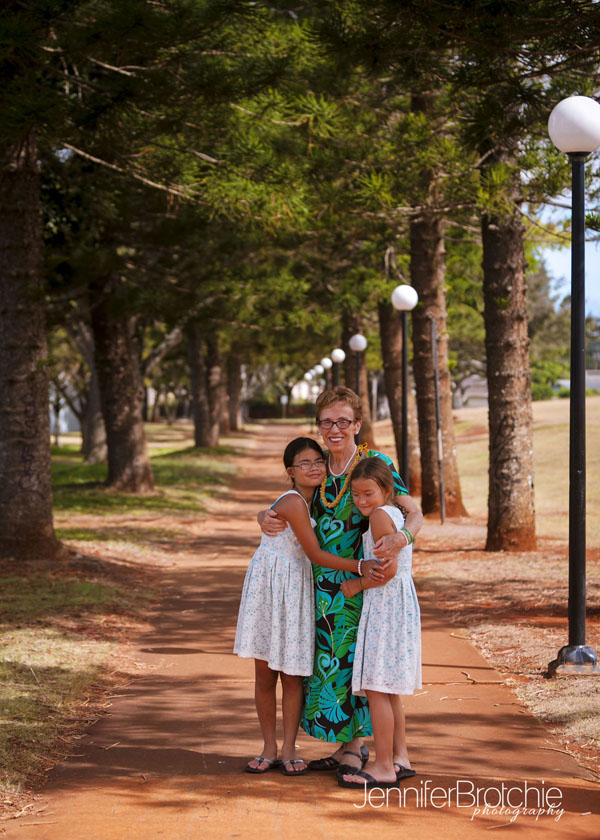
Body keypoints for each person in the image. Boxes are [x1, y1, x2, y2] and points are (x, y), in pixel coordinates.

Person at [258, 387, 423, 780]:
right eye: (327, 422)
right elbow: (291, 502)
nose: (335, 429)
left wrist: (403, 538)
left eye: (343, 421)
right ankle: (349, 743)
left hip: (364, 581)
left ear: (357, 424)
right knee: (331, 665)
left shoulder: (375, 463)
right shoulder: (316, 467)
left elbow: (412, 511)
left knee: (360, 667)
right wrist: (263, 513)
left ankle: (358, 749)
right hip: (320, 585)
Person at [235, 437, 377, 777]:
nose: (313, 468)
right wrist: (360, 567)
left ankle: (289, 749)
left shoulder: (321, 500)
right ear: (290, 471)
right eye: (304, 464)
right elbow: (314, 553)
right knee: (265, 674)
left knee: (294, 674)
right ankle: (269, 748)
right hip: (271, 590)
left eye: (317, 462)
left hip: (297, 590)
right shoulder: (295, 502)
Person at [337, 457, 421, 789]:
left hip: (385, 606)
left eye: (368, 493)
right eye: (356, 495)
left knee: (376, 688)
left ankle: (384, 765)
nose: (361, 501)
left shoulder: (379, 517)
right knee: (389, 689)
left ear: (386, 490)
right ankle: (400, 758)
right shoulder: (396, 513)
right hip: (397, 604)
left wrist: (356, 584)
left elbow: (387, 570)